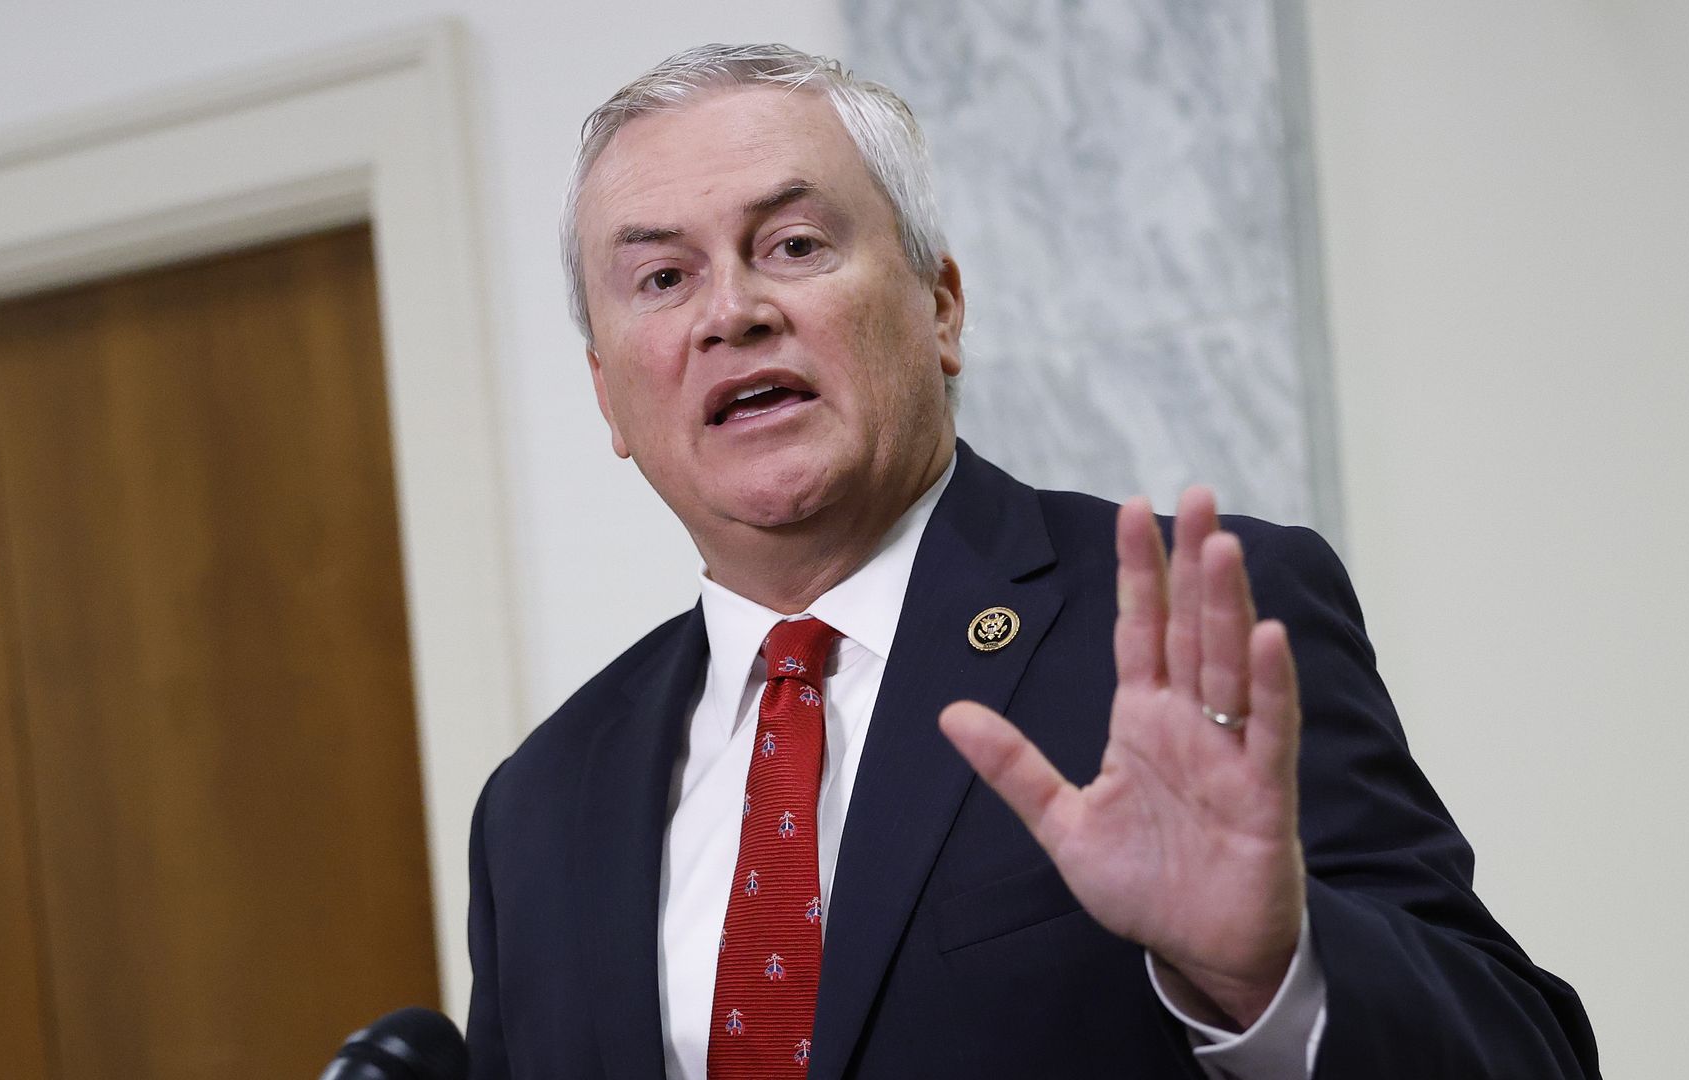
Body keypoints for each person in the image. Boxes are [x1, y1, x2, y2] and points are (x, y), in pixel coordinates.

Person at [464, 43, 1600, 1079]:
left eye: (795, 245)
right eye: (662, 278)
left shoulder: (1185, 631)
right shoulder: (539, 807)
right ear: (609, 394)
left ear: (941, 308)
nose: (734, 312)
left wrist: (1273, 974)